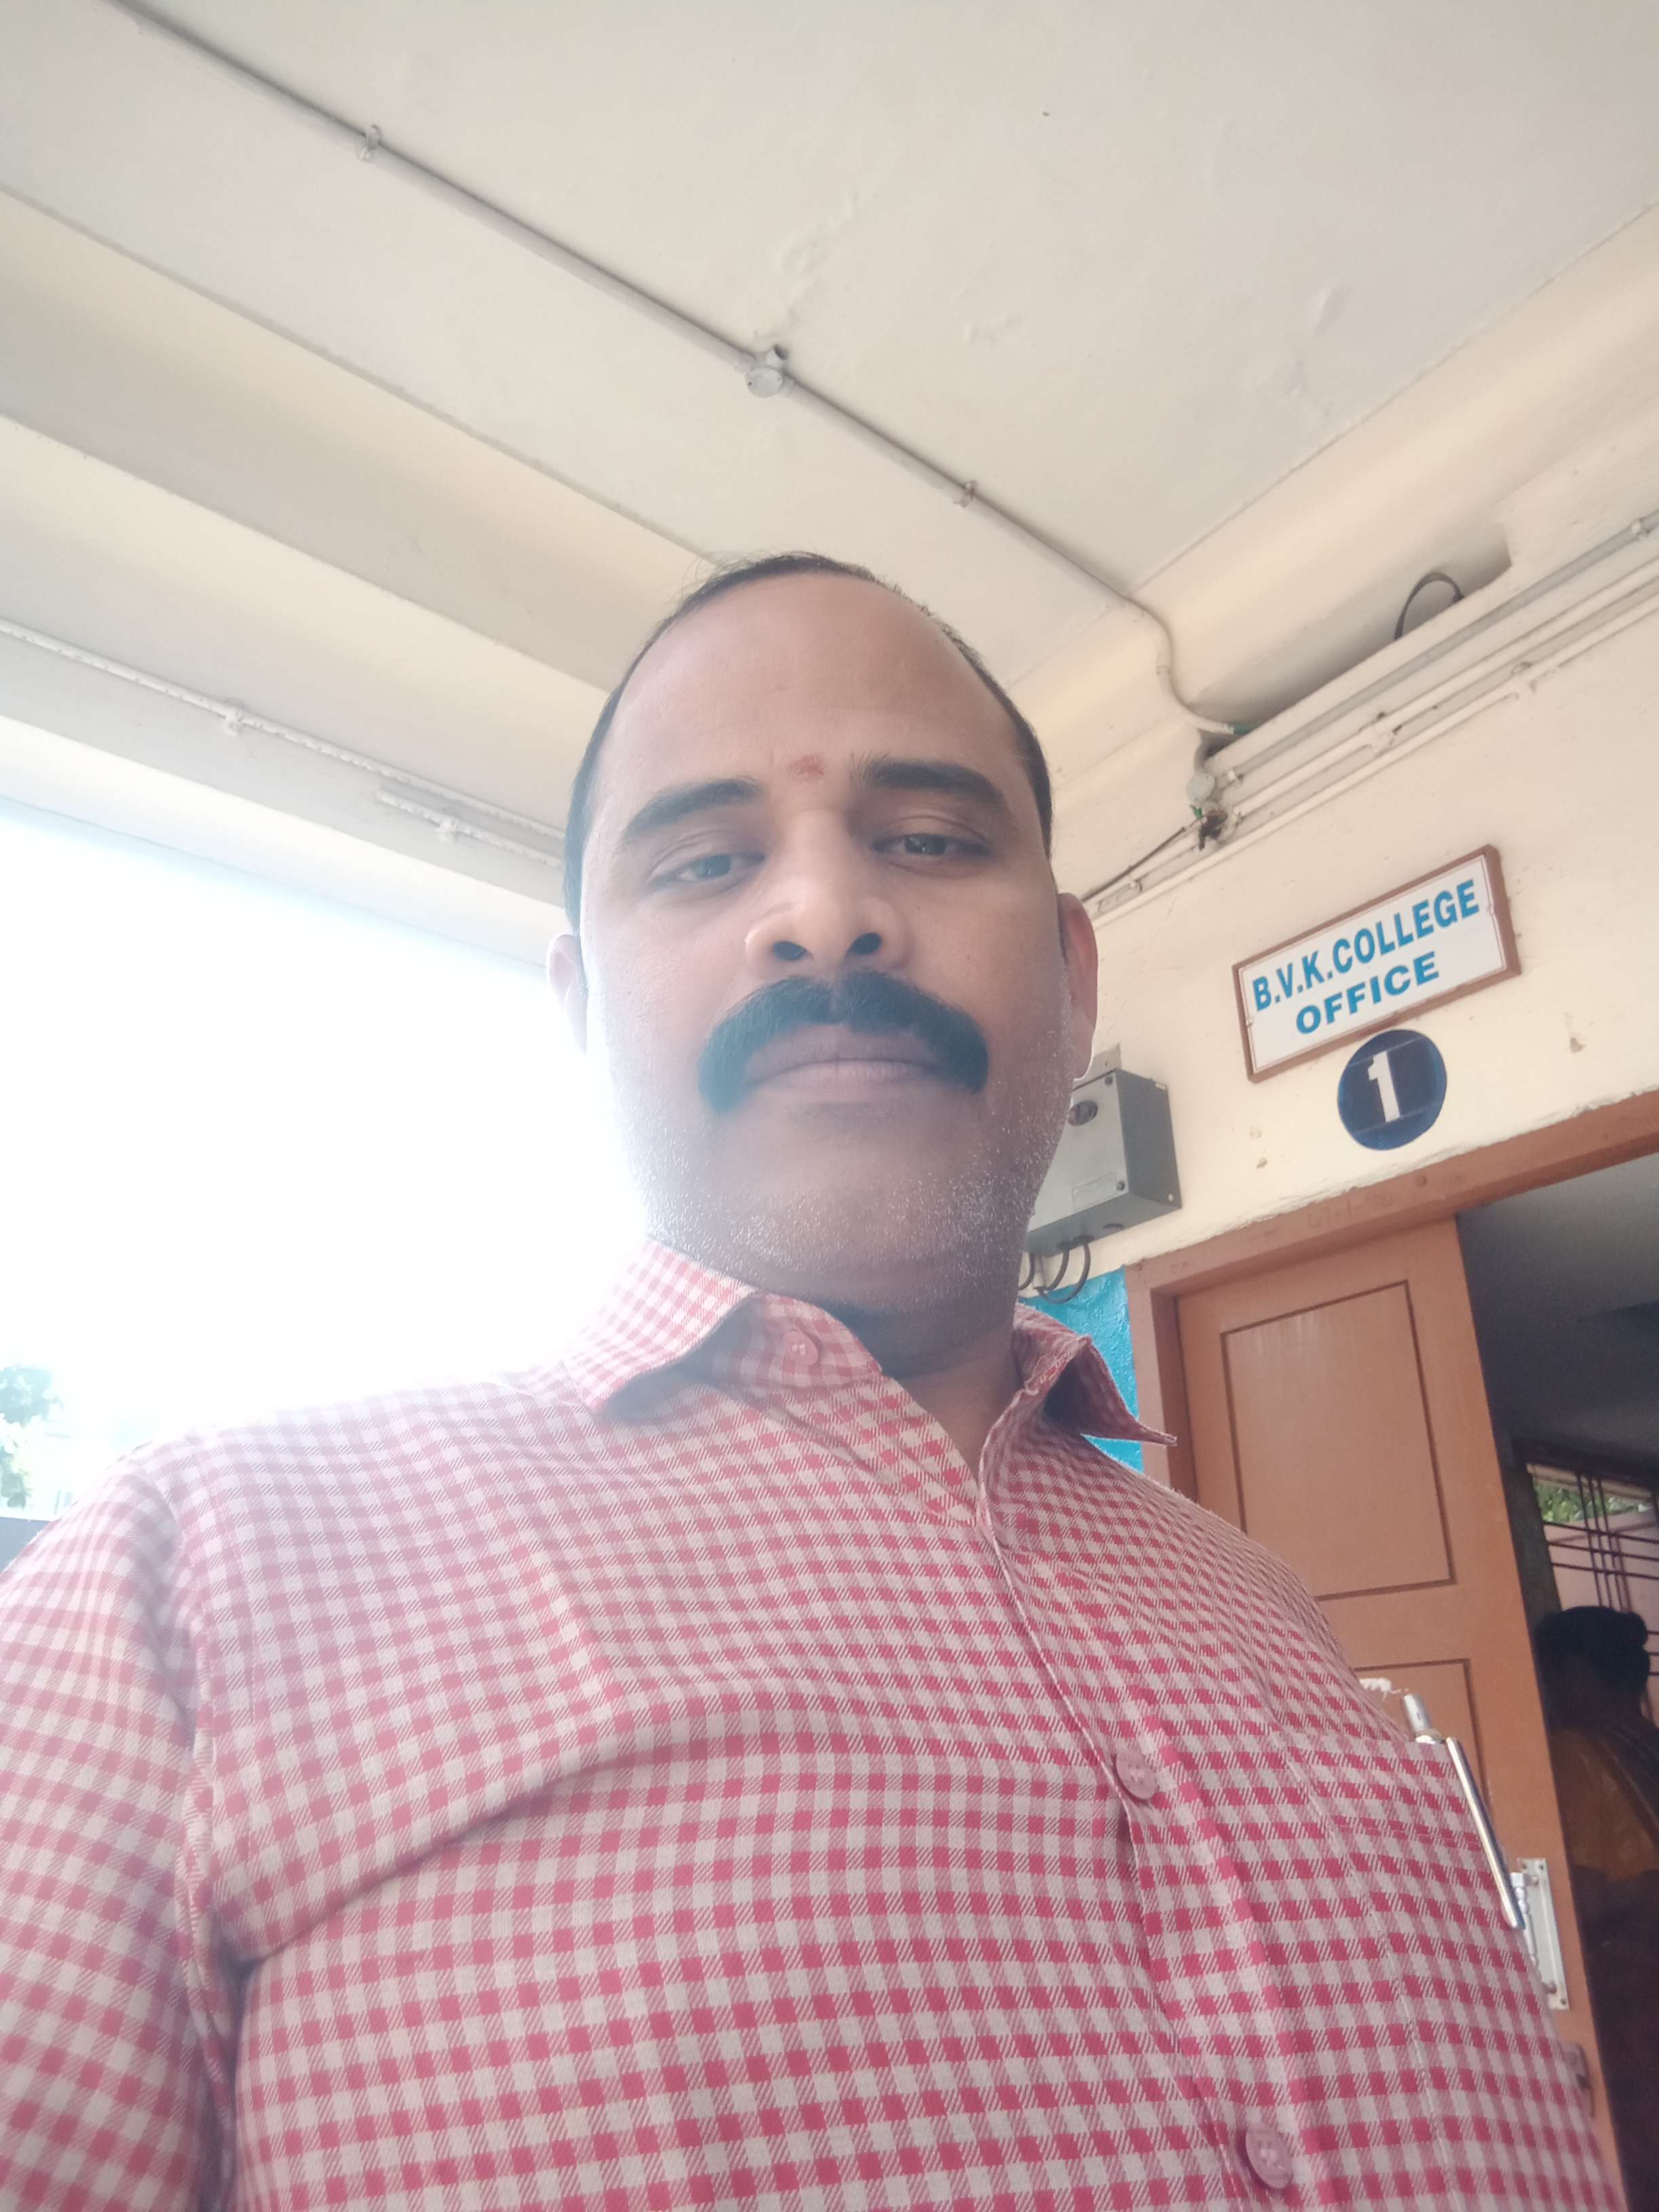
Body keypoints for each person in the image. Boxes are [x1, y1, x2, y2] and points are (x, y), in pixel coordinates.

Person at [0, 554, 1614, 2209]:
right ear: (581, 1011)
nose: (825, 912)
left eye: (931, 839)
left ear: (1072, 983)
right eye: (704, 861)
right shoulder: (192, 1587)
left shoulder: (1259, 1602)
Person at [1537, 1605, 1659, 2212]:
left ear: (1575, 1674)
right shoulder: (1648, 1744)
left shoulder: (1571, 1753)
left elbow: (1575, 1897)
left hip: (1630, 1999)